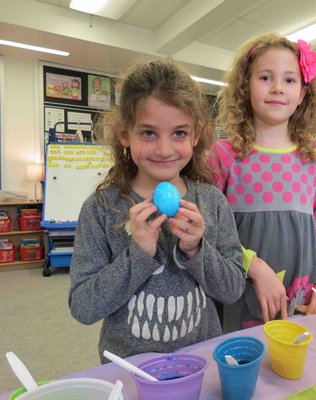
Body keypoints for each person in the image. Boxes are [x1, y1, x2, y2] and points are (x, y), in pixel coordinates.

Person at [69, 60, 245, 361]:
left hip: (200, 361)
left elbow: (232, 290)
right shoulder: (102, 208)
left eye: (179, 133)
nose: (164, 149)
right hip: (131, 369)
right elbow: (84, 307)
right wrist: (137, 254)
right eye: (148, 133)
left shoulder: (212, 202)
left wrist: (197, 249)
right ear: (125, 134)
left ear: (196, 135)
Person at [209, 33, 316, 332]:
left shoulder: (315, 156)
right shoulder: (224, 154)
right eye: (266, 77)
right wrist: (254, 267)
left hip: (302, 296)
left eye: (290, 80)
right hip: (240, 291)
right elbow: (210, 229)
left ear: (304, 93)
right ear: (245, 86)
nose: (278, 88)